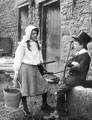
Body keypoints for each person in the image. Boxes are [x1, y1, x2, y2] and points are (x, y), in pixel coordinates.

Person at [44, 31, 92, 119]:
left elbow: (81, 69)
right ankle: (58, 111)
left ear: (81, 45)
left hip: (78, 79)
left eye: (76, 44)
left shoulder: (85, 56)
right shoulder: (78, 54)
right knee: (60, 88)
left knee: (60, 90)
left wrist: (73, 65)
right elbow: (68, 63)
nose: (74, 45)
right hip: (72, 78)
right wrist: (73, 63)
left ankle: (60, 113)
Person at [13, 24, 51, 118]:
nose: (35, 35)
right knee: (25, 89)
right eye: (33, 33)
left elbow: (39, 58)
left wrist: (42, 66)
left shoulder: (37, 43)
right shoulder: (23, 45)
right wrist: (16, 72)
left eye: (36, 33)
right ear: (29, 34)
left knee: (44, 85)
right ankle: (26, 110)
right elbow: (18, 59)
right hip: (26, 68)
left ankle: (44, 105)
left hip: (35, 68)